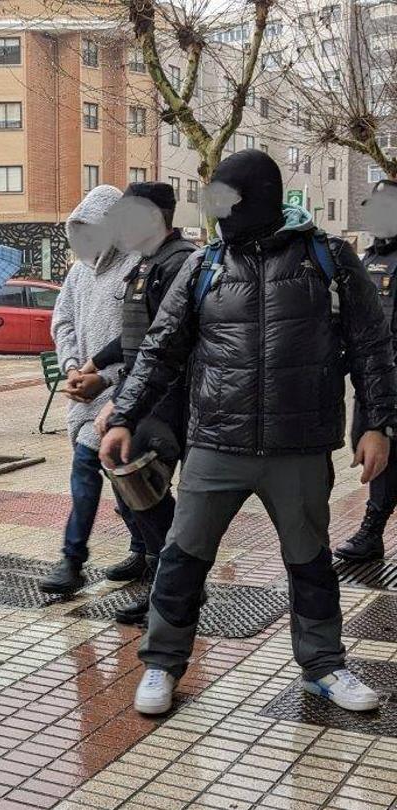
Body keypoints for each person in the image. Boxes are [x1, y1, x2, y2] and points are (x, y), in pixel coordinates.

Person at [100, 149, 397, 716]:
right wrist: (123, 416)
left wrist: (378, 423)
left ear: (259, 196)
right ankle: (162, 662)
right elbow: (161, 351)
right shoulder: (206, 264)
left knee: (310, 561)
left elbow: (371, 347)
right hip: (215, 442)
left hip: (299, 446)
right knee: (183, 556)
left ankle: (324, 666)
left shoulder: (327, 258)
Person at [85, 182, 196, 623]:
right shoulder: (148, 264)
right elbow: (135, 335)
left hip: (171, 400)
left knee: (136, 479)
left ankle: (173, 585)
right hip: (142, 395)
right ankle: (167, 579)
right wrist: (94, 364)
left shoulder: (181, 264)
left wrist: (124, 407)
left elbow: (165, 342)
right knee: (134, 488)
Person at [39, 184, 147, 595]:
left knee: (94, 468)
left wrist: (109, 379)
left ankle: (73, 560)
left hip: (123, 393)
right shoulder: (78, 272)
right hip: (82, 391)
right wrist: (70, 367)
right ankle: (143, 548)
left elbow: (142, 339)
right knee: (116, 475)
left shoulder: (137, 266)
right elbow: (62, 320)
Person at [336, 179, 397, 563]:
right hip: (373, 375)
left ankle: (372, 529)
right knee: (370, 445)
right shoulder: (367, 258)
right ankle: (372, 533)